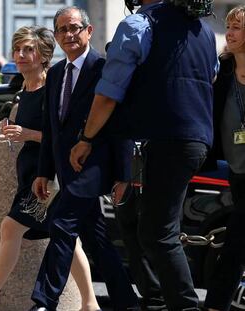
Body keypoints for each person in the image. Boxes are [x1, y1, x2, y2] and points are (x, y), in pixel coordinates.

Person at [69, 0, 218, 309]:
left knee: (156, 232)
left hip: (167, 138)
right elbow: (209, 76)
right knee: (156, 229)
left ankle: (185, 306)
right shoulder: (203, 28)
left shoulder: (138, 25)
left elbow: (109, 93)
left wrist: (86, 138)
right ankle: (168, 302)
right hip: (197, 138)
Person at [0, 25, 101, 311]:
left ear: (44, 55)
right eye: (18, 49)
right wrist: (11, 129)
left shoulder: (54, 88)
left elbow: (69, 137)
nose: (20, 55)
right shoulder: (24, 89)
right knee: (67, 240)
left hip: (49, 177)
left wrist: (28, 134)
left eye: (28, 49)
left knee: (11, 227)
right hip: (32, 175)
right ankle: (90, 303)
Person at [30, 6, 139, 311]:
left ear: (89, 31)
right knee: (97, 241)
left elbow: (121, 126)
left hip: (94, 168)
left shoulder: (104, 69)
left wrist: (123, 174)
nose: (69, 35)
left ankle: (43, 301)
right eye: (62, 29)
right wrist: (44, 171)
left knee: (61, 224)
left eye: (75, 28)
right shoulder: (54, 74)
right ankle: (127, 303)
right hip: (66, 172)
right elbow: (51, 128)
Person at [204, 5, 245, 311]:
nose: (229, 33)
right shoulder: (224, 70)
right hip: (236, 169)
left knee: (235, 243)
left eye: (237, 28)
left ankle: (215, 305)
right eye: (229, 27)